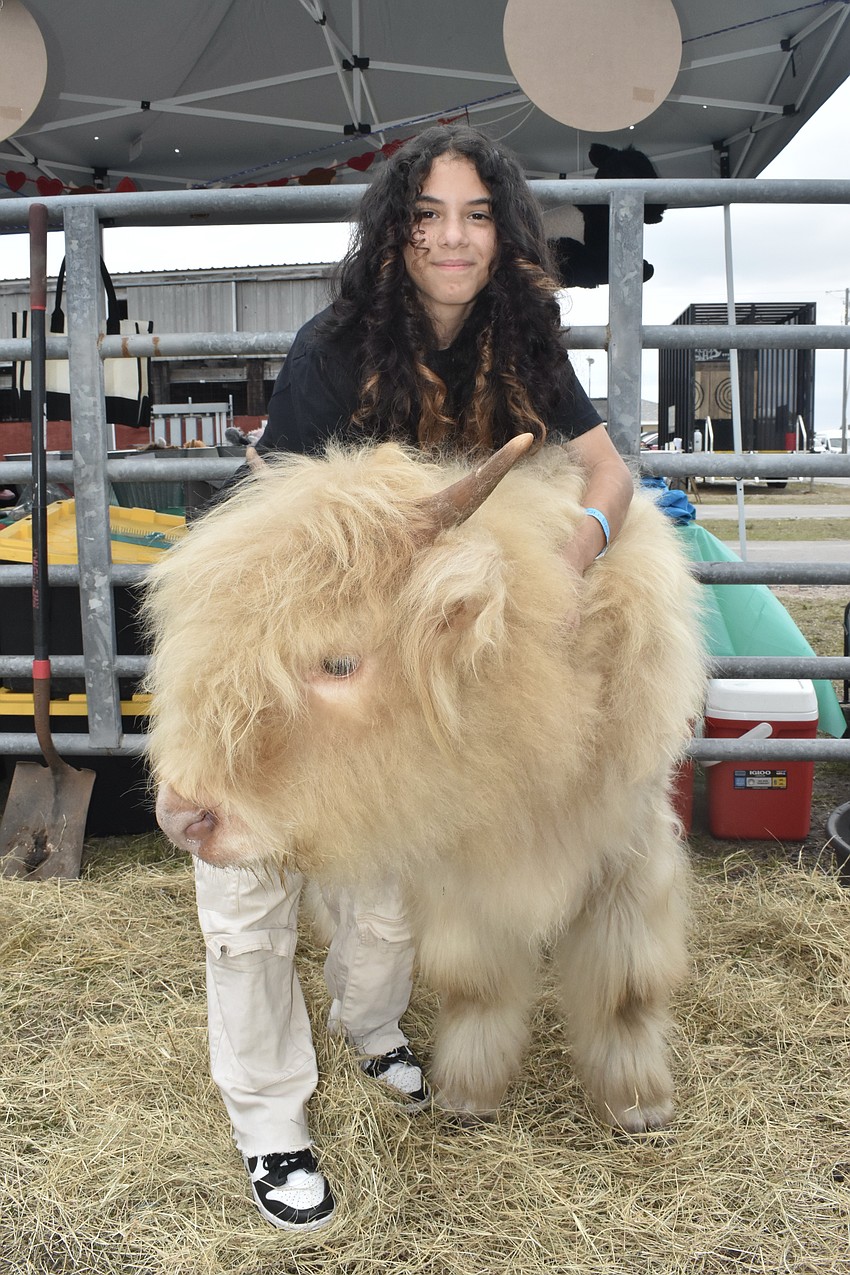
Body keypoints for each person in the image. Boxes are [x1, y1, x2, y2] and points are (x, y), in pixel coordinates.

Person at [194, 123, 633, 1233]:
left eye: (477, 215)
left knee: (390, 879)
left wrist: (576, 550)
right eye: (429, 214)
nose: (452, 236)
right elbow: (277, 532)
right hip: (286, 646)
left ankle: (369, 1026)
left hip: (398, 668)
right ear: (395, 233)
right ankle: (271, 1123)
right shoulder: (332, 346)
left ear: (504, 234)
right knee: (248, 893)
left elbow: (606, 469)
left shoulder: (521, 343)